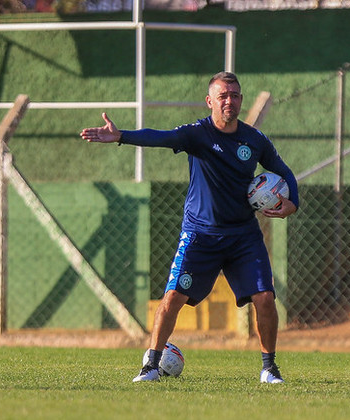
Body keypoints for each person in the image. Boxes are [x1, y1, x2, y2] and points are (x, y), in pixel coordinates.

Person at [80, 71, 298, 384]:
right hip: (200, 235)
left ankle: (269, 369)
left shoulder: (254, 140)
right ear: (210, 101)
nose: (229, 101)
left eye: (235, 95)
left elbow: (283, 171)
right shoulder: (197, 134)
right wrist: (122, 136)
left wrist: (294, 203)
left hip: (243, 236)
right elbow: (161, 137)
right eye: (222, 95)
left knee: (264, 298)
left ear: (241, 100)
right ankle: (150, 367)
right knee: (172, 299)